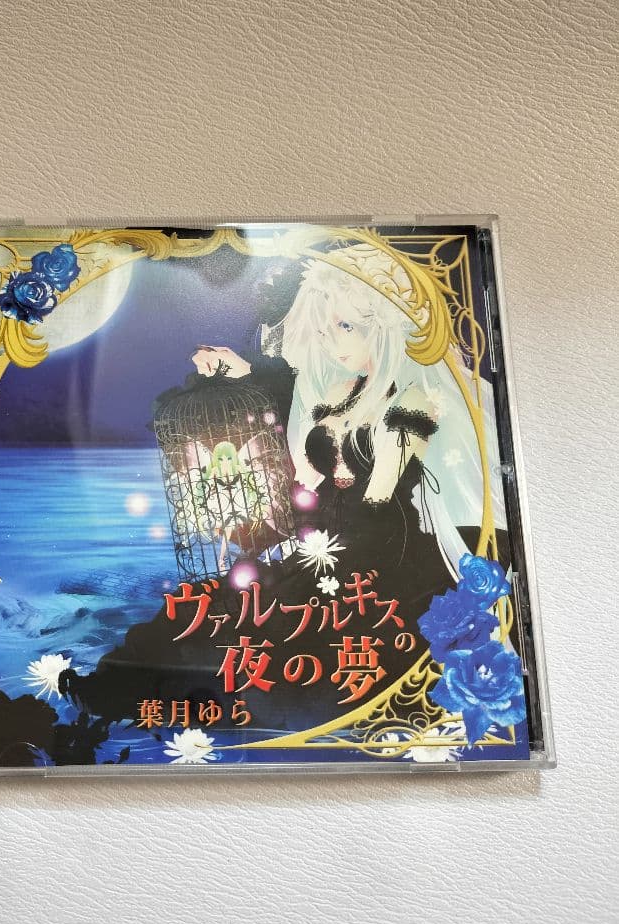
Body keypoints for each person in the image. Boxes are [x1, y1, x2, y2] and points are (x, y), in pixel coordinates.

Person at [75, 246, 509, 730]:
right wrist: (243, 380)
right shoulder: (342, 391)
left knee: (261, 611)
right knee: (223, 601)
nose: (333, 343)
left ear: (385, 325)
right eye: (325, 329)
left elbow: (376, 498)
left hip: (381, 546)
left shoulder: (413, 402)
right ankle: (121, 689)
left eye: (346, 326)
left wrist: (311, 537)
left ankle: (148, 695)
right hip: (334, 537)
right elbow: (302, 438)